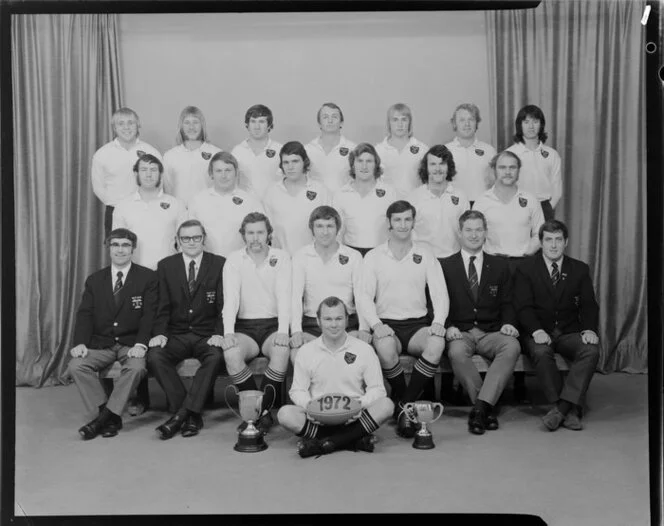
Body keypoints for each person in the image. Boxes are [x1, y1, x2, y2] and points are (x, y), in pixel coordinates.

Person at [357, 200, 449, 438]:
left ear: (413, 222)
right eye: (397, 220)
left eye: (407, 219)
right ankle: (406, 403)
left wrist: (438, 321)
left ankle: (404, 406)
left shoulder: (425, 253)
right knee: (386, 348)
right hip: (388, 324)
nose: (402, 224)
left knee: (437, 343)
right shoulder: (374, 256)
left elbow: (440, 293)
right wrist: (376, 325)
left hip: (418, 324)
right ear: (389, 223)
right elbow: (364, 296)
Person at [67, 228, 158, 439]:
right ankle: (109, 416)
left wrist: (141, 345)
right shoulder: (95, 280)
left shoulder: (148, 277)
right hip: (102, 343)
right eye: (115, 245)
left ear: (133, 249)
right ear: (109, 248)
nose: (120, 249)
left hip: (131, 343)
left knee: (136, 368)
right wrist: (80, 342)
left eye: (125, 245)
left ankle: (104, 418)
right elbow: (85, 314)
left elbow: (149, 316)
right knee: (76, 365)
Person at [278, 296, 394, 458]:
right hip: (318, 417)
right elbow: (297, 390)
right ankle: (351, 439)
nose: (333, 324)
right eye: (328, 319)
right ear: (318, 321)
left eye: (339, 318)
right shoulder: (306, 351)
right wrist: (311, 408)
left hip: (355, 416)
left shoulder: (364, 349)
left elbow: (378, 389)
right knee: (285, 414)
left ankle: (327, 442)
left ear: (347, 320)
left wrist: (359, 405)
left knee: (386, 405)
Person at [513, 220, 600, 431]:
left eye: (558, 240)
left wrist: (589, 329)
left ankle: (561, 408)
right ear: (541, 243)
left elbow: (589, 305)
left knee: (590, 350)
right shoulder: (525, 269)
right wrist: (536, 330)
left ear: (566, 242)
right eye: (548, 240)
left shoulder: (579, 269)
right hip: (537, 332)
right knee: (541, 352)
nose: (553, 245)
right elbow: (522, 307)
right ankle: (569, 409)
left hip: (568, 331)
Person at [440, 210, 520, 435]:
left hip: (491, 331)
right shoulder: (445, 266)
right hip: (460, 332)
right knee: (456, 353)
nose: (473, 235)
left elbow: (509, 301)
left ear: (485, 233)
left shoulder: (500, 265)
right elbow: (436, 303)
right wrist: (448, 327)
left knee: (512, 345)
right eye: (469, 230)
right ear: (460, 233)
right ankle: (485, 407)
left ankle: (480, 408)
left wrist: (508, 322)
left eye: (478, 230)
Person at [147, 219, 226, 440]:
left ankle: (180, 415)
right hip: (176, 334)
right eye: (186, 238)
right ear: (178, 241)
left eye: (196, 237)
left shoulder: (220, 264)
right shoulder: (165, 266)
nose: (191, 242)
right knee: (154, 356)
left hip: (206, 334)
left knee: (215, 356)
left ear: (204, 239)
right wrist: (160, 333)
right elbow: (161, 306)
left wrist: (219, 334)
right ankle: (191, 412)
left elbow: (224, 305)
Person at [221, 212, 291, 434]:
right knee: (231, 354)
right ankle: (257, 412)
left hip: (272, 325)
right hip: (245, 327)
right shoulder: (234, 259)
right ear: (243, 235)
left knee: (281, 350)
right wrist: (228, 332)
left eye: (260, 232)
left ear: (268, 233)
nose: (255, 238)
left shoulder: (281, 257)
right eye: (250, 233)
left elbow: (285, 296)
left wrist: (282, 330)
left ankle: (261, 410)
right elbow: (230, 298)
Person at [290, 206, 370, 361]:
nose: (325, 232)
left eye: (329, 226)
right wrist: (296, 330)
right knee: (298, 356)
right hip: (312, 324)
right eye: (319, 226)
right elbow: (295, 297)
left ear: (338, 228)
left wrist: (364, 328)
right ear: (311, 229)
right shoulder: (301, 256)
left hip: (346, 323)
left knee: (354, 357)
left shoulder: (353, 256)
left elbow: (361, 296)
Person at [91, 107, 162, 237]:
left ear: (138, 125)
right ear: (114, 128)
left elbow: (160, 183)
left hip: (147, 210)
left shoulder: (151, 152)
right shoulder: (102, 154)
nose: (126, 127)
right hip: (115, 211)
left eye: (131, 123)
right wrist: (119, 206)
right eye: (121, 123)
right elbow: (98, 187)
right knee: (119, 254)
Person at [473, 150, 545, 276]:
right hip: (492, 265)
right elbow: (475, 235)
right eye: (502, 167)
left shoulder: (531, 200)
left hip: (524, 265)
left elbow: (540, 233)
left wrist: (526, 253)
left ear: (518, 171)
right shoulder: (481, 201)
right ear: (494, 170)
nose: (507, 172)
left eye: (512, 167)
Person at [112, 154, 187, 271]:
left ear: (161, 175)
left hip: (168, 273)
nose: (148, 174)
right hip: (134, 274)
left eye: (153, 170)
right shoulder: (122, 206)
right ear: (136, 174)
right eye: (143, 170)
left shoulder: (177, 205)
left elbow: (184, 243)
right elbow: (117, 245)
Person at [188, 151, 264, 258]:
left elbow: (262, 234)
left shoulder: (251, 201)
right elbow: (189, 235)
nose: (224, 175)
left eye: (228, 170)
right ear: (211, 174)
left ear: (236, 172)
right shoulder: (198, 200)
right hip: (207, 265)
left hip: (241, 263)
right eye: (219, 171)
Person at [263, 141, 330, 255]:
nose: (290, 167)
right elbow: (267, 230)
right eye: (286, 162)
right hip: (282, 260)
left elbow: (330, 228)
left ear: (304, 162)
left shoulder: (320, 191)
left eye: (295, 161)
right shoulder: (272, 192)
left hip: (313, 258)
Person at [332, 143, 398, 256]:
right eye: (359, 161)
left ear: (376, 165)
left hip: (381, 253)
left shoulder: (389, 193)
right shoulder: (341, 194)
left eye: (369, 161)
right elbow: (336, 231)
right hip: (350, 253)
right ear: (353, 165)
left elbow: (396, 228)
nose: (364, 166)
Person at [408, 144, 470, 260]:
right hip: (423, 260)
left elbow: (467, 232)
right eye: (433, 164)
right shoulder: (414, 197)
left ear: (449, 166)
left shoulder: (461, 196)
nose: (437, 169)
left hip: (454, 259)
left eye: (442, 164)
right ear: (426, 168)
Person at [506, 105, 562, 220]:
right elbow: (505, 186)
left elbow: (557, 189)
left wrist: (548, 209)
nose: (531, 126)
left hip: (545, 208)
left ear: (541, 125)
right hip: (517, 207)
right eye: (526, 122)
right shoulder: (509, 154)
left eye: (535, 122)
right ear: (520, 125)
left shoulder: (552, 154)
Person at [162, 106, 222, 207]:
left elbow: (221, 187)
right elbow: (167, 189)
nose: (191, 127)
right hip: (180, 214)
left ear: (202, 125)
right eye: (187, 123)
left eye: (195, 122)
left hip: (208, 211)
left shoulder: (216, 154)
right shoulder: (169, 156)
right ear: (181, 127)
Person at [444, 103, 497, 206]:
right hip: (453, 205)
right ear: (454, 124)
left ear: (477, 123)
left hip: (484, 205)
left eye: (471, 119)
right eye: (462, 120)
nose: (467, 124)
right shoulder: (445, 151)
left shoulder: (489, 150)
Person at [374, 103, 428, 198]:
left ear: (409, 122)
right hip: (386, 205)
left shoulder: (422, 149)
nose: (400, 124)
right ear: (389, 123)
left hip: (415, 204)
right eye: (395, 120)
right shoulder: (378, 150)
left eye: (404, 119)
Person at [230, 104, 283, 200]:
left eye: (262, 121)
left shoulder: (280, 150)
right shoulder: (237, 151)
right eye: (253, 121)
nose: (257, 126)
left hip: (274, 207)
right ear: (247, 125)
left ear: (269, 125)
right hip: (246, 208)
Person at [304, 102, 357, 194]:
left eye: (334, 117)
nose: (330, 121)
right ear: (319, 123)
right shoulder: (307, 150)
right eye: (325, 117)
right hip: (316, 204)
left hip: (344, 202)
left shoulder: (353, 149)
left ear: (341, 123)